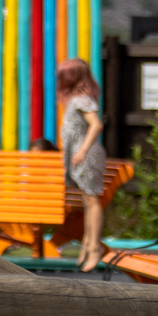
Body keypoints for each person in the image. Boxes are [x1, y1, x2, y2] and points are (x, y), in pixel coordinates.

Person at [58, 59, 110, 270]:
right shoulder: (76, 99)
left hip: (85, 156)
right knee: (87, 201)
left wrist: (82, 149)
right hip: (80, 155)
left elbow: (97, 125)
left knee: (92, 199)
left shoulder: (82, 100)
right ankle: (87, 246)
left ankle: (94, 247)